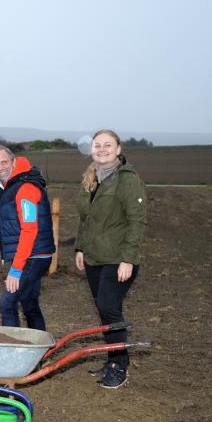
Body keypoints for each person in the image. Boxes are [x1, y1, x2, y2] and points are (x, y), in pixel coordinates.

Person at [75, 129, 147, 389]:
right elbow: (87, 220)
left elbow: (137, 221)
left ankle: (120, 366)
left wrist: (128, 259)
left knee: (109, 307)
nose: (102, 149)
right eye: (97, 145)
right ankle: (112, 359)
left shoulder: (127, 179)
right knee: (105, 310)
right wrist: (80, 249)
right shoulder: (91, 178)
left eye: (108, 145)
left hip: (118, 257)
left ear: (118, 149)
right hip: (94, 257)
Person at [0, 145, 55, 331]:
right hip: (30, 253)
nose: (0, 168)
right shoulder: (11, 186)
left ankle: (14, 354)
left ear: (14, 162)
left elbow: (29, 230)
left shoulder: (25, 187)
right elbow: (16, 223)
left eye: (4, 162)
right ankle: (37, 352)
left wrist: (16, 269)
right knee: (29, 303)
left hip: (34, 256)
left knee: (7, 304)